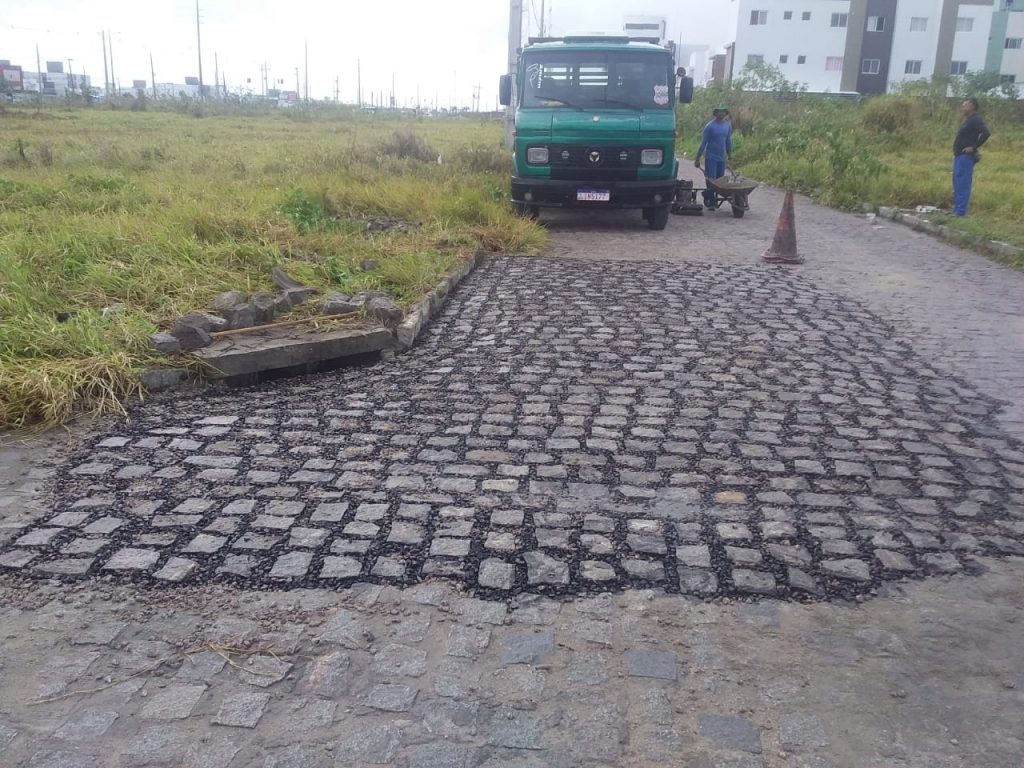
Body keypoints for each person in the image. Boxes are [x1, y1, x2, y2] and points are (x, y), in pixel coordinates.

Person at [952, 97, 991, 217]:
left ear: (973, 106)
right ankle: (956, 209)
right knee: (957, 183)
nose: (962, 107)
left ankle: (960, 211)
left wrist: (973, 147)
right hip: (959, 156)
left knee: (963, 183)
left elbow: (986, 133)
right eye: (962, 105)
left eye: (965, 105)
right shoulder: (967, 120)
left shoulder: (976, 119)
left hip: (966, 157)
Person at [694, 104, 733, 209]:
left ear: (725, 113)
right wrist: (697, 158)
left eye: (723, 111)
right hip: (711, 157)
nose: (721, 113)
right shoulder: (709, 126)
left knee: (720, 181)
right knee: (712, 180)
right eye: (719, 111)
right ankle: (711, 201)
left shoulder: (727, 126)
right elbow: (703, 143)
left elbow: (728, 141)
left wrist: (729, 155)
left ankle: (708, 195)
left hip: (721, 158)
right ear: (715, 113)